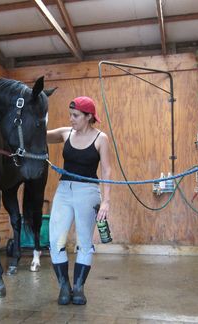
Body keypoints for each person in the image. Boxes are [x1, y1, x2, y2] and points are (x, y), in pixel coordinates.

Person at [47, 96, 111, 305]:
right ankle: (64, 287)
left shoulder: (101, 138)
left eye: (75, 115)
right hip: (64, 191)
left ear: (88, 116)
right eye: (70, 115)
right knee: (56, 241)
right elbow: (41, 135)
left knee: (84, 243)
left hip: (89, 192)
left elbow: (107, 170)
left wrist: (106, 201)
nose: (71, 119)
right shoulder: (66, 133)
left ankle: (79, 288)